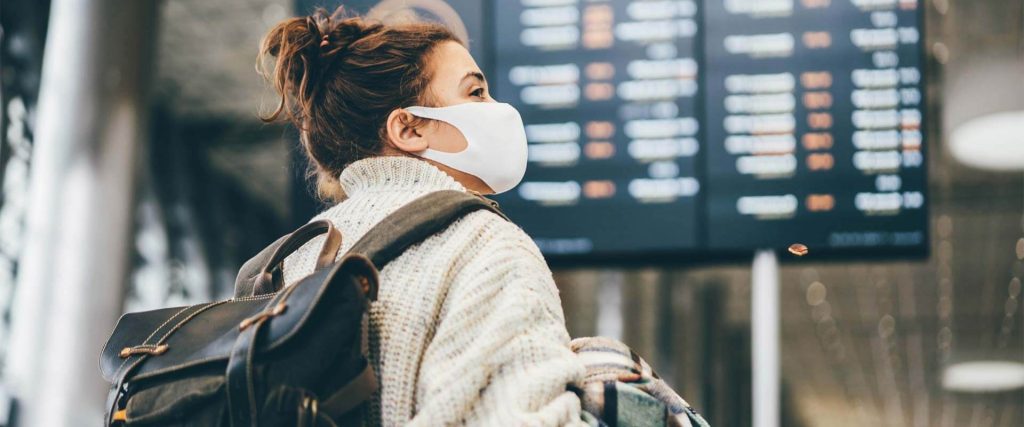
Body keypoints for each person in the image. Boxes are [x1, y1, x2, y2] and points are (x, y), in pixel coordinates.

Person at [258, 7, 588, 426]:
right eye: (475, 93)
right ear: (409, 129)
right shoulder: (482, 246)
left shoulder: (286, 264)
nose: (498, 108)